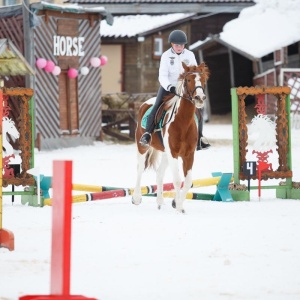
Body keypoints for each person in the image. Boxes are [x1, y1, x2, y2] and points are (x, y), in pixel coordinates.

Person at [139, 29, 211, 151]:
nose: (179, 47)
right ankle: (147, 133)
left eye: (182, 45)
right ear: (172, 44)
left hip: (186, 89)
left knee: (199, 109)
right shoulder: (166, 56)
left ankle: (199, 138)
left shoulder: (190, 55)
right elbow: (162, 76)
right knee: (156, 106)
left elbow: (195, 73)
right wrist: (170, 87)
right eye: (177, 45)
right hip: (169, 87)